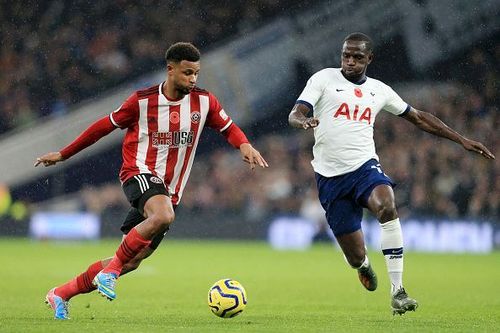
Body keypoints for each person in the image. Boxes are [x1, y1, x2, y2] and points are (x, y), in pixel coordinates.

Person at [35, 42, 269, 320]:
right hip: (139, 173)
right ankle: (109, 274)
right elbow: (102, 127)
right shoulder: (142, 101)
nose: (193, 79)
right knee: (163, 216)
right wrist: (63, 154)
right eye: (187, 73)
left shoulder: (204, 102)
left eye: (196, 74)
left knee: (130, 261)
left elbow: (227, 127)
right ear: (170, 70)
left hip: (170, 191)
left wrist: (244, 145)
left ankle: (60, 293)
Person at [288, 32, 495, 315]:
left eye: (357, 57)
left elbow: (418, 117)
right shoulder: (323, 79)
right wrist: (303, 121)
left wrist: (461, 139)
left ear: (369, 58)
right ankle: (363, 266)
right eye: (346, 55)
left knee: (386, 204)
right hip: (330, 178)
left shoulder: (379, 90)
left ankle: (398, 291)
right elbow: (295, 112)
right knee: (355, 255)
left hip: (364, 168)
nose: (350, 61)